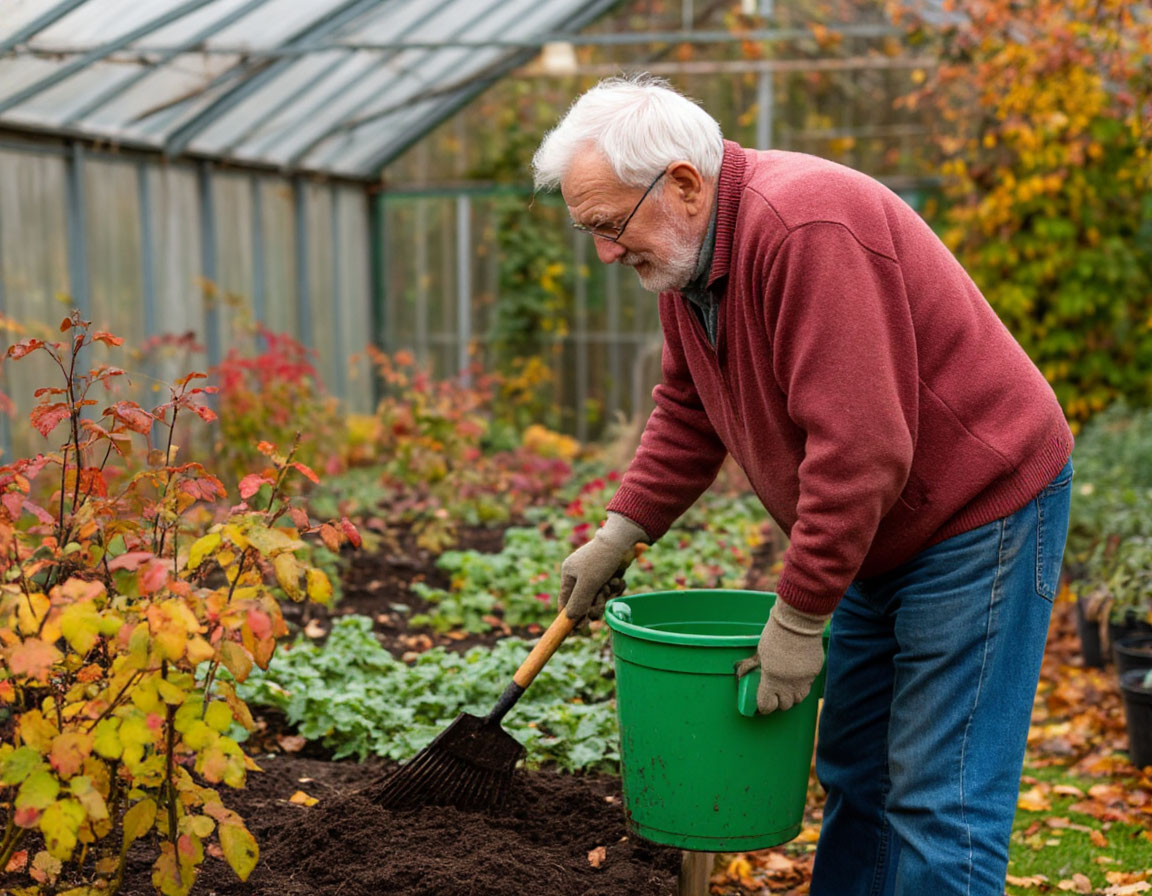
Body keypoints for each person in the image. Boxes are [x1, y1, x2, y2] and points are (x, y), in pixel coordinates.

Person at [531, 74, 1074, 896]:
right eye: (593, 231)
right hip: (883, 526)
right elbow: (689, 410)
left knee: (939, 793)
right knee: (857, 769)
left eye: (610, 226)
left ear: (682, 182)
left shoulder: (806, 227)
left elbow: (860, 450)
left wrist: (799, 616)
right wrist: (623, 530)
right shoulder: (688, 260)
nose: (606, 251)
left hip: (975, 510)